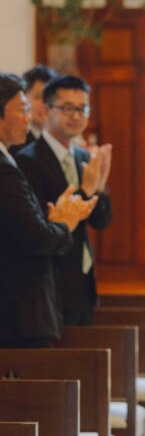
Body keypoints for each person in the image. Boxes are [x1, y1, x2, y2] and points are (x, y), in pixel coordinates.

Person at [0, 72, 96, 347]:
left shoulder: (84, 157)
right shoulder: (8, 169)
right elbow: (35, 237)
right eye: (22, 109)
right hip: (19, 310)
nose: (28, 118)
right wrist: (63, 223)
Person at [15, 75, 113, 325]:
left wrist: (100, 187)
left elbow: (100, 221)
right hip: (50, 277)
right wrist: (86, 190)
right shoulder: (27, 160)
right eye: (68, 108)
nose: (76, 116)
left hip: (82, 276)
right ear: (46, 110)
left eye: (83, 109)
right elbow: (43, 224)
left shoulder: (83, 157)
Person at [8, 64, 58, 155]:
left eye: (49, 98)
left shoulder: (59, 139)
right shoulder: (15, 141)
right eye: (38, 97)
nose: (44, 104)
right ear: (23, 97)